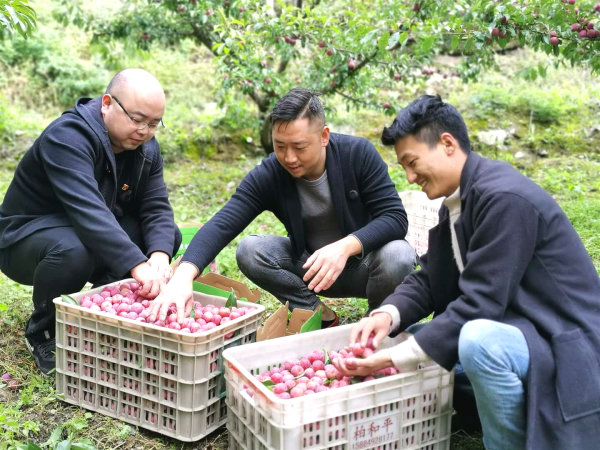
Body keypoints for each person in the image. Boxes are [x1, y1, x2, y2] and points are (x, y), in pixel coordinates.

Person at [334, 95, 600, 449]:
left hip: (563, 339)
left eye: (412, 163)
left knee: (475, 342)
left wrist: (397, 356)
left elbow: (481, 303)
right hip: (521, 326)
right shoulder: (461, 201)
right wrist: (387, 314)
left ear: (447, 144)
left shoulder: (503, 198)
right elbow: (431, 276)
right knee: (416, 338)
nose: (411, 177)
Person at [148, 88, 416, 326]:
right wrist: (183, 275)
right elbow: (223, 222)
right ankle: (317, 314)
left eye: (300, 147)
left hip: (365, 268)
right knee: (251, 250)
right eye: (280, 146)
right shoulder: (272, 173)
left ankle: (379, 322)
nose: (289, 158)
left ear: (324, 136)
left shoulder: (357, 154)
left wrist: (345, 247)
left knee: (398, 255)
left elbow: (394, 217)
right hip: (311, 269)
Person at [0, 69, 182, 376]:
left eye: (153, 123)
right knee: (75, 249)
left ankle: (99, 314)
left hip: (82, 234)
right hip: (25, 242)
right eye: (136, 119)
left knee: (164, 238)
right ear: (107, 103)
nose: (144, 131)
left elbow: (156, 207)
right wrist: (139, 266)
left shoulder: (146, 150)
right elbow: (88, 212)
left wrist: (160, 257)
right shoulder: (67, 137)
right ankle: (44, 330)